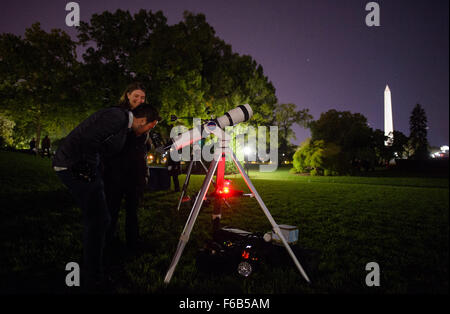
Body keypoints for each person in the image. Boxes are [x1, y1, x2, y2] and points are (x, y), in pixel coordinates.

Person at [52, 103, 157, 290]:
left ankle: (91, 269)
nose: (151, 130)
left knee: (98, 220)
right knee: (99, 220)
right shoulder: (117, 117)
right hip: (74, 167)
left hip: (81, 168)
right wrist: (91, 169)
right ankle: (93, 277)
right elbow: (89, 140)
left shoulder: (123, 125)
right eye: (152, 125)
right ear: (142, 120)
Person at [103, 82, 160, 253]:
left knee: (132, 210)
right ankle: (107, 242)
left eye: (142, 97)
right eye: (136, 96)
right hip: (116, 170)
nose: (139, 100)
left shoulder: (144, 114)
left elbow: (143, 141)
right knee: (111, 208)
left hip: (135, 170)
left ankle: (133, 241)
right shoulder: (119, 115)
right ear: (127, 95)